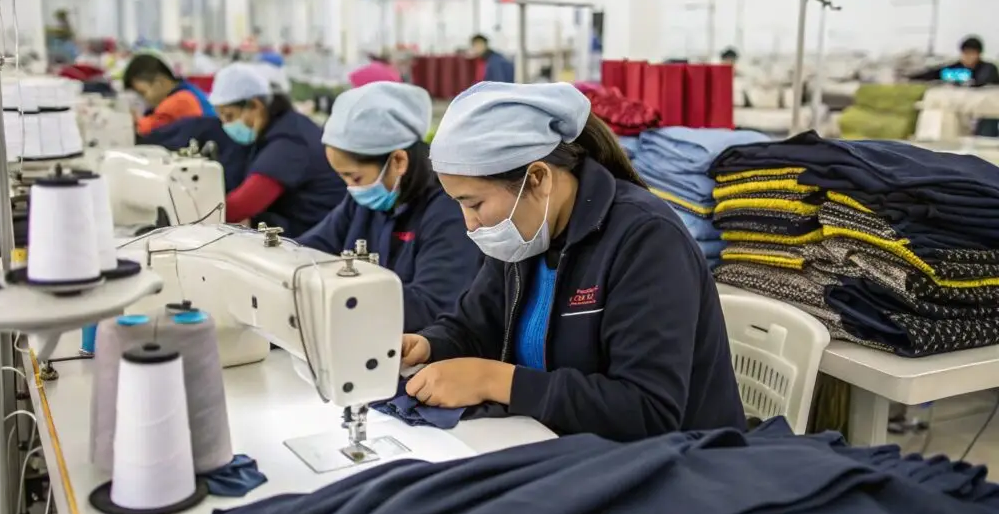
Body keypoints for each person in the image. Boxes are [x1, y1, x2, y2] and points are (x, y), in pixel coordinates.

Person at [401, 82, 745, 441]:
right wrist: (426, 345)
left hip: (678, 462)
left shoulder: (647, 241)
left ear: (537, 179)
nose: (469, 224)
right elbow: (474, 327)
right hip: (563, 445)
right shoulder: (525, 234)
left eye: (474, 204)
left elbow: (647, 411)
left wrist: (495, 380)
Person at [298, 82, 481, 331]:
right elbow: (304, 252)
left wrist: (336, 300)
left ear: (397, 161)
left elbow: (430, 307)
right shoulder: (362, 202)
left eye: (354, 177)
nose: (351, 189)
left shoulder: (448, 212)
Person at [208, 63, 346, 236]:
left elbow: (239, 207)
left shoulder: (289, 143)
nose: (226, 125)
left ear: (255, 105)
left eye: (229, 116)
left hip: (316, 237)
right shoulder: (279, 128)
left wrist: (194, 218)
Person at [124, 52, 217, 137]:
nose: (144, 99)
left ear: (159, 82)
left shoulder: (181, 99)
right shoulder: (182, 90)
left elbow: (149, 127)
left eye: (143, 93)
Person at [912, 36, 999, 87]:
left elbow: (982, 82)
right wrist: (914, 78)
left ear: (978, 54)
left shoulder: (988, 68)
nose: (968, 57)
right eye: (965, 53)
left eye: (971, 53)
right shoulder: (956, 67)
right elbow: (936, 74)